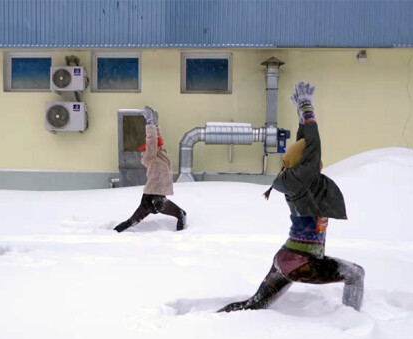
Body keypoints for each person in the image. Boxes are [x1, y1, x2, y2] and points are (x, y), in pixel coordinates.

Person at [219, 82, 365, 312]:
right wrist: (307, 107)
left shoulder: (296, 179)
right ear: (304, 163)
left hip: (286, 257)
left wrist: (300, 115)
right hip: (303, 261)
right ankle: (352, 318)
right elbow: (313, 144)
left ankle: (215, 320)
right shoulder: (304, 180)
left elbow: (304, 144)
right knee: (355, 274)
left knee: (254, 305)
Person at [114, 106, 187, 233]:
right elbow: (152, 139)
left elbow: (157, 138)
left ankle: (114, 232)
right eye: (156, 143)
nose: (159, 143)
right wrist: (149, 123)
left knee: (132, 221)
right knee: (181, 215)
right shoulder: (151, 155)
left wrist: (155, 124)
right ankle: (181, 238)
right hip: (155, 198)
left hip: (151, 196)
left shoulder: (160, 155)